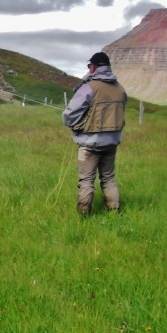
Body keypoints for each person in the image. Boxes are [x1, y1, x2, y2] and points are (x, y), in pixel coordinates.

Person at [62, 52, 128, 215]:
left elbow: (68, 115)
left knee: (86, 181)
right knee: (108, 179)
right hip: (112, 142)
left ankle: (83, 215)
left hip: (89, 144)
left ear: (94, 67)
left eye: (89, 66)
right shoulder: (120, 89)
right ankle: (114, 211)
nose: (89, 69)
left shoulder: (88, 88)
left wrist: (77, 126)